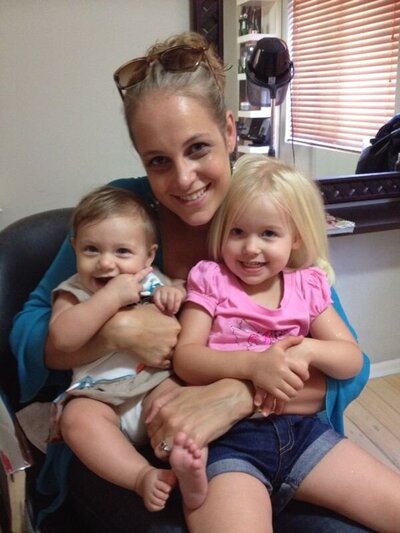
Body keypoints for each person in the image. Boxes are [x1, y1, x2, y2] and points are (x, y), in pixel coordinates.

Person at [10, 31, 371, 532]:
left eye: (197, 147)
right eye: (158, 160)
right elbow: (28, 333)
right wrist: (114, 331)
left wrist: (235, 395)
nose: (183, 179)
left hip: (274, 434)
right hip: (133, 448)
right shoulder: (123, 215)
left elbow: (350, 367)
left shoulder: (266, 211)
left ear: (228, 131)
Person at [170, 155, 400, 533]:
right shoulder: (211, 279)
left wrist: (310, 349)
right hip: (229, 442)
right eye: (237, 232)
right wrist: (252, 366)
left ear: (295, 238)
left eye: (269, 234)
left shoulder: (307, 286)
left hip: (303, 432)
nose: (250, 248)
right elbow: (187, 357)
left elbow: (351, 360)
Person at [48, 185, 186, 512]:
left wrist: (175, 293)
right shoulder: (72, 292)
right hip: (98, 396)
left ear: (148, 256)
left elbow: (181, 298)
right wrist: (109, 298)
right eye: (91, 250)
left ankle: (189, 467)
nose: (105, 263)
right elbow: (61, 340)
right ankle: (140, 476)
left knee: (183, 401)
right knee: (76, 420)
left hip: (152, 384)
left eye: (122, 252)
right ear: (74, 248)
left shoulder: (153, 282)